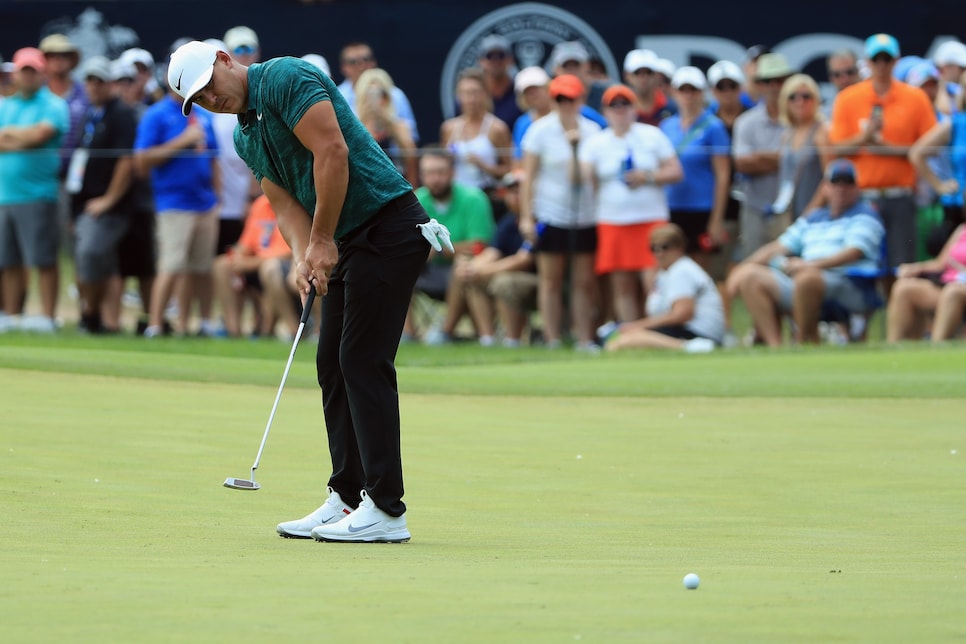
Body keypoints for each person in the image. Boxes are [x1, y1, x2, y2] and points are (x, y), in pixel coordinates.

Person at [168, 39, 451, 542]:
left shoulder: (284, 77)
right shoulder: (245, 135)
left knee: (363, 361)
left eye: (210, 86)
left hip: (387, 225)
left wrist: (321, 241)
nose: (211, 98)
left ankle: (387, 510)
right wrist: (304, 255)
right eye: (199, 99)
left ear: (225, 61)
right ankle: (347, 497)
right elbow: (283, 206)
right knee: (332, 364)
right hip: (346, 241)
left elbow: (332, 151)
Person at [726, 160, 885, 346]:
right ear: (825, 188)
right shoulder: (814, 217)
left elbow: (853, 252)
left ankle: (802, 342)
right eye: (836, 183)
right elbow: (778, 246)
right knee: (750, 276)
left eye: (847, 184)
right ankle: (775, 347)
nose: (841, 189)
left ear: (856, 188)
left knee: (807, 278)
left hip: (849, 283)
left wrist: (809, 265)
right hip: (802, 278)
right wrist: (744, 267)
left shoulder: (865, 215)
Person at [828, 33, 938, 292]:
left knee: (902, 266)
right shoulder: (848, 98)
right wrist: (865, 137)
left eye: (886, 59)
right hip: (862, 197)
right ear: (868, 62)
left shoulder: (915, 98)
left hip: (900, 195)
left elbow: (930, 147)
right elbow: (837, 147)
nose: (881, 64)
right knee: (862, 267)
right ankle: (861, 328)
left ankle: (901, 327)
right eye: (876, 59)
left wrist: (887, 149)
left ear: (896, 61)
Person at [134, 54, 220, 338]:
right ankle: (156, 324)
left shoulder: (204, 114)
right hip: (173, 203)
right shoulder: (156, 114)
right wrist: (182, 141)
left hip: (204, 202)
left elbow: (214, 159)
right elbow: (142, 161)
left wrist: (217, 198)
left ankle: (199, 323)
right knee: (171, 265)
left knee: (202, 267)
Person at [581, 83, 683, 323]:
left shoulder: (652, 135)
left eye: (624, 104)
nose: (620, 109)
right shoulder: (596, 142)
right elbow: (586, 177)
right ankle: (630, 331)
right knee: (622, 286)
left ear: (634, 108)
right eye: (613, 105)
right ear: (605, 111)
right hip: (613, 220)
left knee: (653, 282)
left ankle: (658, 328)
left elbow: (675, 171)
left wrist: (647, 177)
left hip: (650, 220)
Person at [519, 73, 602, 351]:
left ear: (580, 99)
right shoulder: (539, 130)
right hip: (551, 213)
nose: (566, 104)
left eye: (571, 98)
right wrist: (526, 216)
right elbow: (528, 177)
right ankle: (552, 338)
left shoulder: (592, 130)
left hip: (585, 215)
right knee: (551, 280)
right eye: (560, 98)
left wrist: (575, 147)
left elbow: (590, 177)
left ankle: (584, 338)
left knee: (583, 282)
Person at [0, 47, 70, 333]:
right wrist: (23, 137)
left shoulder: (53, 104)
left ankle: (47, 317)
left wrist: (9, 134)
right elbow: (27, 137)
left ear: (41, 73)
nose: (27, 76)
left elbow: (40, 135)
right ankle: (12, 315)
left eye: (32, 71)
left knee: (42, 259)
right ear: (15, 73)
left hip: (39, 194)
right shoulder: (5, 104)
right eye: (23, 71)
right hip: (5, 195)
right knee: (9, 260)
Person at [69, 56, 141, 334]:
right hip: (83, 204)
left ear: (110, 83)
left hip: (109, 206)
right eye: (89, 80)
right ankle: (103, 322)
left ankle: (90, 314)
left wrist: (109, 199)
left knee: (90, 253)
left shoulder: (120, 113)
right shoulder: (89, 114)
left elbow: (125, 161)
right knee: (99, 261)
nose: (93, 86)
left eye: (99, 80)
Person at [406, 146, 495, 345]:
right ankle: (406, 334)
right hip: (426, 270)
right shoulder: (415, 201)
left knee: (462, 264)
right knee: (397, 266)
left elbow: (480, 245)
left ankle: (446, 332)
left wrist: (439, 249)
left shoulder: (474, 199)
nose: (435, 179)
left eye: (440, 172)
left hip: (464, 271)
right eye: (429, 173)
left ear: (452, 173)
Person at [603, 222, 723, 352]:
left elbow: (683, 314)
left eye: (665, 247)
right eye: (654, 248)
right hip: (681, 329)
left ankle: (691, 347)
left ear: (679, 247)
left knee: (628, 340)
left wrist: (637, 325)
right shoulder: (664, 273)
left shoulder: (681, 270)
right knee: (623, 339)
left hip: (697, 331)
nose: (659, 253)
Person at [451, 170, 538, 347]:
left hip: (540, 280)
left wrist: (482, 270)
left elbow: (523, 259)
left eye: (520, 191)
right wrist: (471, 268)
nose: (515, 197)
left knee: (503, 282)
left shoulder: (540, 220)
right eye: (511, 192)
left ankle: (513, 340)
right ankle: (487, 339)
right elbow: (493, 252)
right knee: (473, 277)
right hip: (514, 276)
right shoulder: (508, 221)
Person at [660, 66, 731, 271]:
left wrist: (716, 219)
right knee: (672, 270)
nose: (688, 96)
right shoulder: (667, 126)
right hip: (672, 208)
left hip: (702, 209)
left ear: (702, 93)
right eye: (683, 90)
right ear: (674, 92)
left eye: (694, 90)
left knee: (702, 273)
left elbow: (723, 175)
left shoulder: (714, 127)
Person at [732, 52, 794, 262]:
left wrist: (760, 158)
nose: (775, 86)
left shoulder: (802, 118)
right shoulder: (746, 122)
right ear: (759, 85)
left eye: (780, 80)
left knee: (791, 268)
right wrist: (783, 159)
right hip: (755, 207)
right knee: (752, 267)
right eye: (768, 81)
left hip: (793, 209)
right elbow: (742, 164)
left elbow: (801, 162)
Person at [211, 194, 292, 338]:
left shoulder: (292, 203)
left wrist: (249, 263)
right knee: (222, 265)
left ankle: (290, 330)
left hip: (278, 265)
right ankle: (233, 331)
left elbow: (287, 253)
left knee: (270, 268)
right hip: (255, 262)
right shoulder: (261, 204)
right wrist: (236, 257)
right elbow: (245, 245)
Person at [886, 223, 966, 342]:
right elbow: (940, 263)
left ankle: (936, 346)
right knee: (903, 287)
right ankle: (892, 349)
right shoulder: (961, 230)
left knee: (952, 292)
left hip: (958, 290)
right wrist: (915, 268)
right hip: (945, 283)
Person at [440, 67, 512, 197]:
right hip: (456, 196)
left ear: (485, 94)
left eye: (475, 93)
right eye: (466, 93)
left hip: (487, 194)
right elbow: (443, 164)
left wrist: (485, 166)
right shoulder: (448, 128)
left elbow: (510, 168)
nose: (471, 99)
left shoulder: (498, 128)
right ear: (459, 96)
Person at [335, 41, 419, 143]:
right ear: (343, 67)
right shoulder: (337, 97)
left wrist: (390, 123)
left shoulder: (396, 95)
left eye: (366, 59)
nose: (361, 66)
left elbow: (412, 145)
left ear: (374, 62)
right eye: (353, 62)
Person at [773, 74, 830, 221]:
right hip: (790, 212)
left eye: (806, 96)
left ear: (816, 99)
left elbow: (829, 178)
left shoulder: (821, 132)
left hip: (817, 215)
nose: (800, 102)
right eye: (793, 97)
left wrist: (810, 212)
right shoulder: (787, 134)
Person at [354, 67, 418, 186]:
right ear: (362, 96)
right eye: (370, 94)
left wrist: (388, 122)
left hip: (398, 186)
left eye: (381, 94)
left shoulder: (401, 126)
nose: (376, 99)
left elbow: (411, 159)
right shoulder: (355, 128)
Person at [473, 34, 522, 129]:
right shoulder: (471, 97)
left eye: (501, 55)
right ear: (481, 61)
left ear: (510, 60)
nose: (496, 61)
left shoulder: (521, 92)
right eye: (490, 56)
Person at [623, 48, 677, 126]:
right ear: (627, 76)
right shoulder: (620, 110)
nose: (643, 78)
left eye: (648, 72)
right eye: (637, 73)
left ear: (656, 75)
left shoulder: (673, 108)